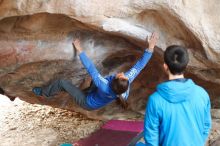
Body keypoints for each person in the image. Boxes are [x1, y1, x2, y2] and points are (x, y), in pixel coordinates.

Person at [32, 32, 159, 111]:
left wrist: (79, 49)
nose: (122, 74)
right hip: (98, 96)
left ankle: (44, 92)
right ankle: (87, 91)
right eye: (124, 76)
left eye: (120, 76)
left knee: (61, 83)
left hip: (87, 103)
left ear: (114, 81)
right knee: (94, 81)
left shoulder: (104, 85)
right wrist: (151, 47)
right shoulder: (125, 84)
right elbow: (139, 66)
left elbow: (90, 68)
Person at [139, 45, 211, 146]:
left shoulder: (155, 100)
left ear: (165, 66)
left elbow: (151, 138)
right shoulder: (202, 94)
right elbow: (206, 126)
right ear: (186, 65)